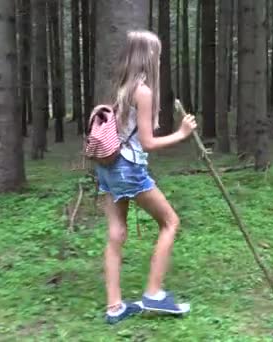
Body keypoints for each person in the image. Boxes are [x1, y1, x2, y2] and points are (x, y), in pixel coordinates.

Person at [95, 30, 197, 325]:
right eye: (158, 54)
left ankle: (114, 307)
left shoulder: (120, 87)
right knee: (170, 222)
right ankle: (153, 293)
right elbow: (148, 143)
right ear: (148, 56)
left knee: (116, 234)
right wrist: (181, 134)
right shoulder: (143, 91)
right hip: (128, 169)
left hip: (108, 167)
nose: (159, 59)